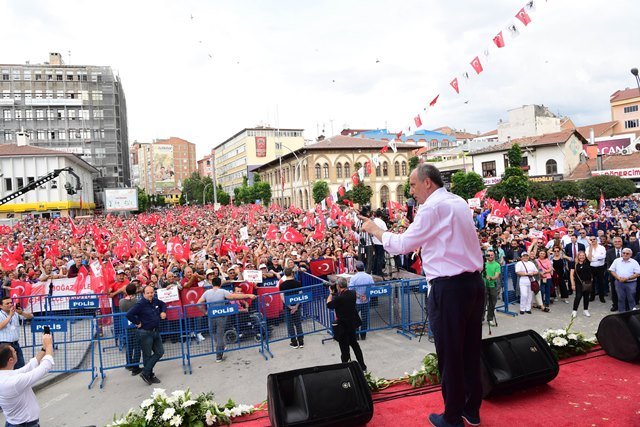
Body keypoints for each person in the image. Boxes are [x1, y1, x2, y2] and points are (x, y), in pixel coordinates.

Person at [361, 163, 483, 427]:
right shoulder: (458, 202)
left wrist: (376, 231)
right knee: (471, 350)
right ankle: (471, 411)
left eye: (413, 185)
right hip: (473, 284)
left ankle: (452, 417)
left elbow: (405, 244)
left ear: (428, 182)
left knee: (450, 354)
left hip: (449, 289)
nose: (411, 191)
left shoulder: (432, 208)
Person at [0, 333, 54, 427]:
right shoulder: (14, 382)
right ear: (10, 360)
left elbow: (29, 367)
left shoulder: (6, 375)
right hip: (25, 424)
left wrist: (44, 348)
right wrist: (49, 345)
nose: (16, 351)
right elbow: (45, 366)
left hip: (14, 423)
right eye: (14, 351)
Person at [197, 280, 256, 362]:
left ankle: (221, 348)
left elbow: (198, 303)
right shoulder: (223, 291)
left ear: (212, 284)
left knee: (214, 334)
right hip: (221, 316)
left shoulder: (207, 293)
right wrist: (249, 295)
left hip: (211, 316)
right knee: (219, 335)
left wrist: (205, 312)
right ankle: (219, 355)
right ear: (220, 284)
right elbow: (234, 297)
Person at [125, 285, 167, 385]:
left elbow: (163, 304)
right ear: (143, 294)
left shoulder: (155, 301)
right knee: (147, 355)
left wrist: (163, 312)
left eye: (152, 292)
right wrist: (137, 322)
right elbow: (129, 314)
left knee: (160, 352)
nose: (150, 294)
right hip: (145, 333)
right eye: (148, 293)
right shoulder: (140, 304)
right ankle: (149, 374)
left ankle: (145, 372)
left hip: (155, 331)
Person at [326, 277, 366, 371]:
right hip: (352, 325)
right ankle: (363, 366)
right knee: (355, 346)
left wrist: (331, 293)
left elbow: (329, 304)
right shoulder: (352, 293)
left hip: (343, 327)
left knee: (344, 350)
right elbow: (354, 294)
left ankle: (346, 369)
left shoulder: (339, 299)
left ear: (339, 286)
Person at [0, 296, 34, 369]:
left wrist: (21, 312)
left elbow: (30, 316)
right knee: (7, 367)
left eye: (11, 302)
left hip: (16, 344)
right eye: (7, 303)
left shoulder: (15, 313)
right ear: (1, 306)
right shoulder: (1, 315)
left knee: (20, 365)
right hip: (4, 345)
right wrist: (9, 316)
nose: (10, 304)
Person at [278, 267, 304, 349]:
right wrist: (296, 306)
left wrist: (290, 307)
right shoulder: (298, 283)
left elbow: (282, 297)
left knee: (290, 325)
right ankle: (301, 342)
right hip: (297, 306)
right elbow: (300, 295)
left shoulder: (282, 285)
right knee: (298, 323)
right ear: (292, 274)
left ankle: (294, 343)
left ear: (285, 274)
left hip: (288, 307)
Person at [119, 283, 142, 376]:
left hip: (127, 326)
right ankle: (135, 367)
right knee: (137, 346)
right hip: (136, 325)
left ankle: (129, 364)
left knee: (129, 345)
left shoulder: (121, 301)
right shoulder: (137, 301)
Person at [349, 260, 373, 340]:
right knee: (365, 318)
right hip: (365, 300)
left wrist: (359, 296)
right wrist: (365, 295)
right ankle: (363, 335)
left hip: (357, 301)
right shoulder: (369, 277)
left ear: (356, 268)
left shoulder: (354, 278)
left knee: (355, 318)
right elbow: (372, 287)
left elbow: (351, 290)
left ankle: (356, 335)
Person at [605, 237, 625, 312]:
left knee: (624, 291)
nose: (617, 243)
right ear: (613, 243)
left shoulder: (626, 251)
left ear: (622, 242)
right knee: (614, 291)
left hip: (625, 276)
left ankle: (624, 305)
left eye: (619, 241)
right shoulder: (609, 252)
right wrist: (614, 275)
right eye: (615, 241)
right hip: (613, 276)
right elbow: (609, 265)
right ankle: (615, 305)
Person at [571, 251, 592, 317]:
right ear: (578, 256)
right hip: (578, 283)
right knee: (578, 296)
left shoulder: (587, 262)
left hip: (587, 283)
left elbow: (590, 255)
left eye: (583, 255)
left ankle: (585, 310)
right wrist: (572, 284)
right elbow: (571, 275)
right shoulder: (574, 264)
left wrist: (590, 245)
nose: (582, 257)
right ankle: (574, 311)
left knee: (586, 297)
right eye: (580, 255)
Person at [586, 235, 607, 303]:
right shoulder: (587, 248)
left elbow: (603, 256)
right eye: (591, 240)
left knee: (601, 282)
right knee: (592, 282)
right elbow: (589, 259)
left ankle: (602, 297)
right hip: (591, 267)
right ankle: (592, 296)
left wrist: (594, 258)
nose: (592, 241)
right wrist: (591, 249)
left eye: (594, 239)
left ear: (596, 240)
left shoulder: (602, 247)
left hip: (600, 267)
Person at [483, 250, 501, 326]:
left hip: (492, 286)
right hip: (483, 286)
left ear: (494, 256)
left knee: (492, 303)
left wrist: (490, 278)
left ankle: (490, 319)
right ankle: (481, 319)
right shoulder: (483, 264)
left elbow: (496, 276)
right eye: (488, 255)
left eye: (491, 255)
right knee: (483, 304)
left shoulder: (497, 265)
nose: (490, 256)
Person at [371, 209, 388, 276]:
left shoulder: (373, 221)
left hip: (374, 241)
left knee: (376, 257)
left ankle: (374, 270)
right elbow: (385, 232)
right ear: (381, 216)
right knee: (380, 258)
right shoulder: (381, 222)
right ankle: (379, 272)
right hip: (380, 242)